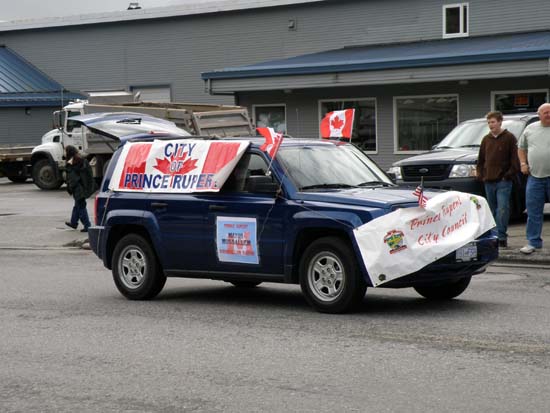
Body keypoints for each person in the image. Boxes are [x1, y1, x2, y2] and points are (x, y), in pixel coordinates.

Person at [476, 111, 519, 248]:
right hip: (488, 180)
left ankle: (501, 236)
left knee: (502, 209)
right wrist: (481, 175)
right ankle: (493, 236)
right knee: (491, 210)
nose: (490, 125)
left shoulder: (509, 138)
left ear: (500, 122)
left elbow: (515, 161)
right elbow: (481, 160)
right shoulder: (485, 139)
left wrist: (507, 175)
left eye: (493, 122)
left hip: (503, 181)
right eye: (488, 122)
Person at [518, 103, 550, 254]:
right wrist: (523, 163)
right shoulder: (530, 129)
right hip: (535, 177)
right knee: (533, 211)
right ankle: (533, 242)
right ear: (539, 115)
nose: (548, 115)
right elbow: (521, 148)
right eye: (545, 112)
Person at [64, 145, 94, 232]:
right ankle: (73, 223)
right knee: (77, 205)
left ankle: (87, 225)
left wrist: (70, 187)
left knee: (81, 207)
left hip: (78, 188)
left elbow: (72, 179)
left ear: (69, 153)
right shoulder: (82, 160)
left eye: (65, 151)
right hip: (83, 187)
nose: (64, 153)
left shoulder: (72, 163)